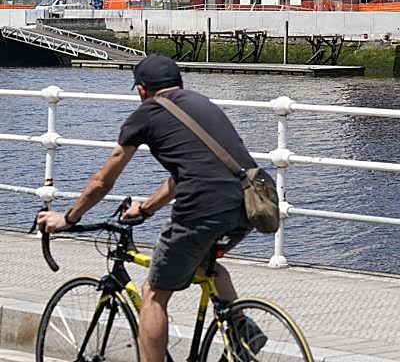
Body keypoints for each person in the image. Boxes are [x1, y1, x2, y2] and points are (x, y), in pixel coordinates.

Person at [37, 55, 260, 362]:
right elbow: (186, 175)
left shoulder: (146, 114)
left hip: (203, 207)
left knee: (153, 294)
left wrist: (69, 217)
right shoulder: (201, 103)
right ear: (178, 83)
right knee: (206, 264)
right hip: (250, 201)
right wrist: (146, 210)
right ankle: (242, 329)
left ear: (141, 90)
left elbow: (104, 181)